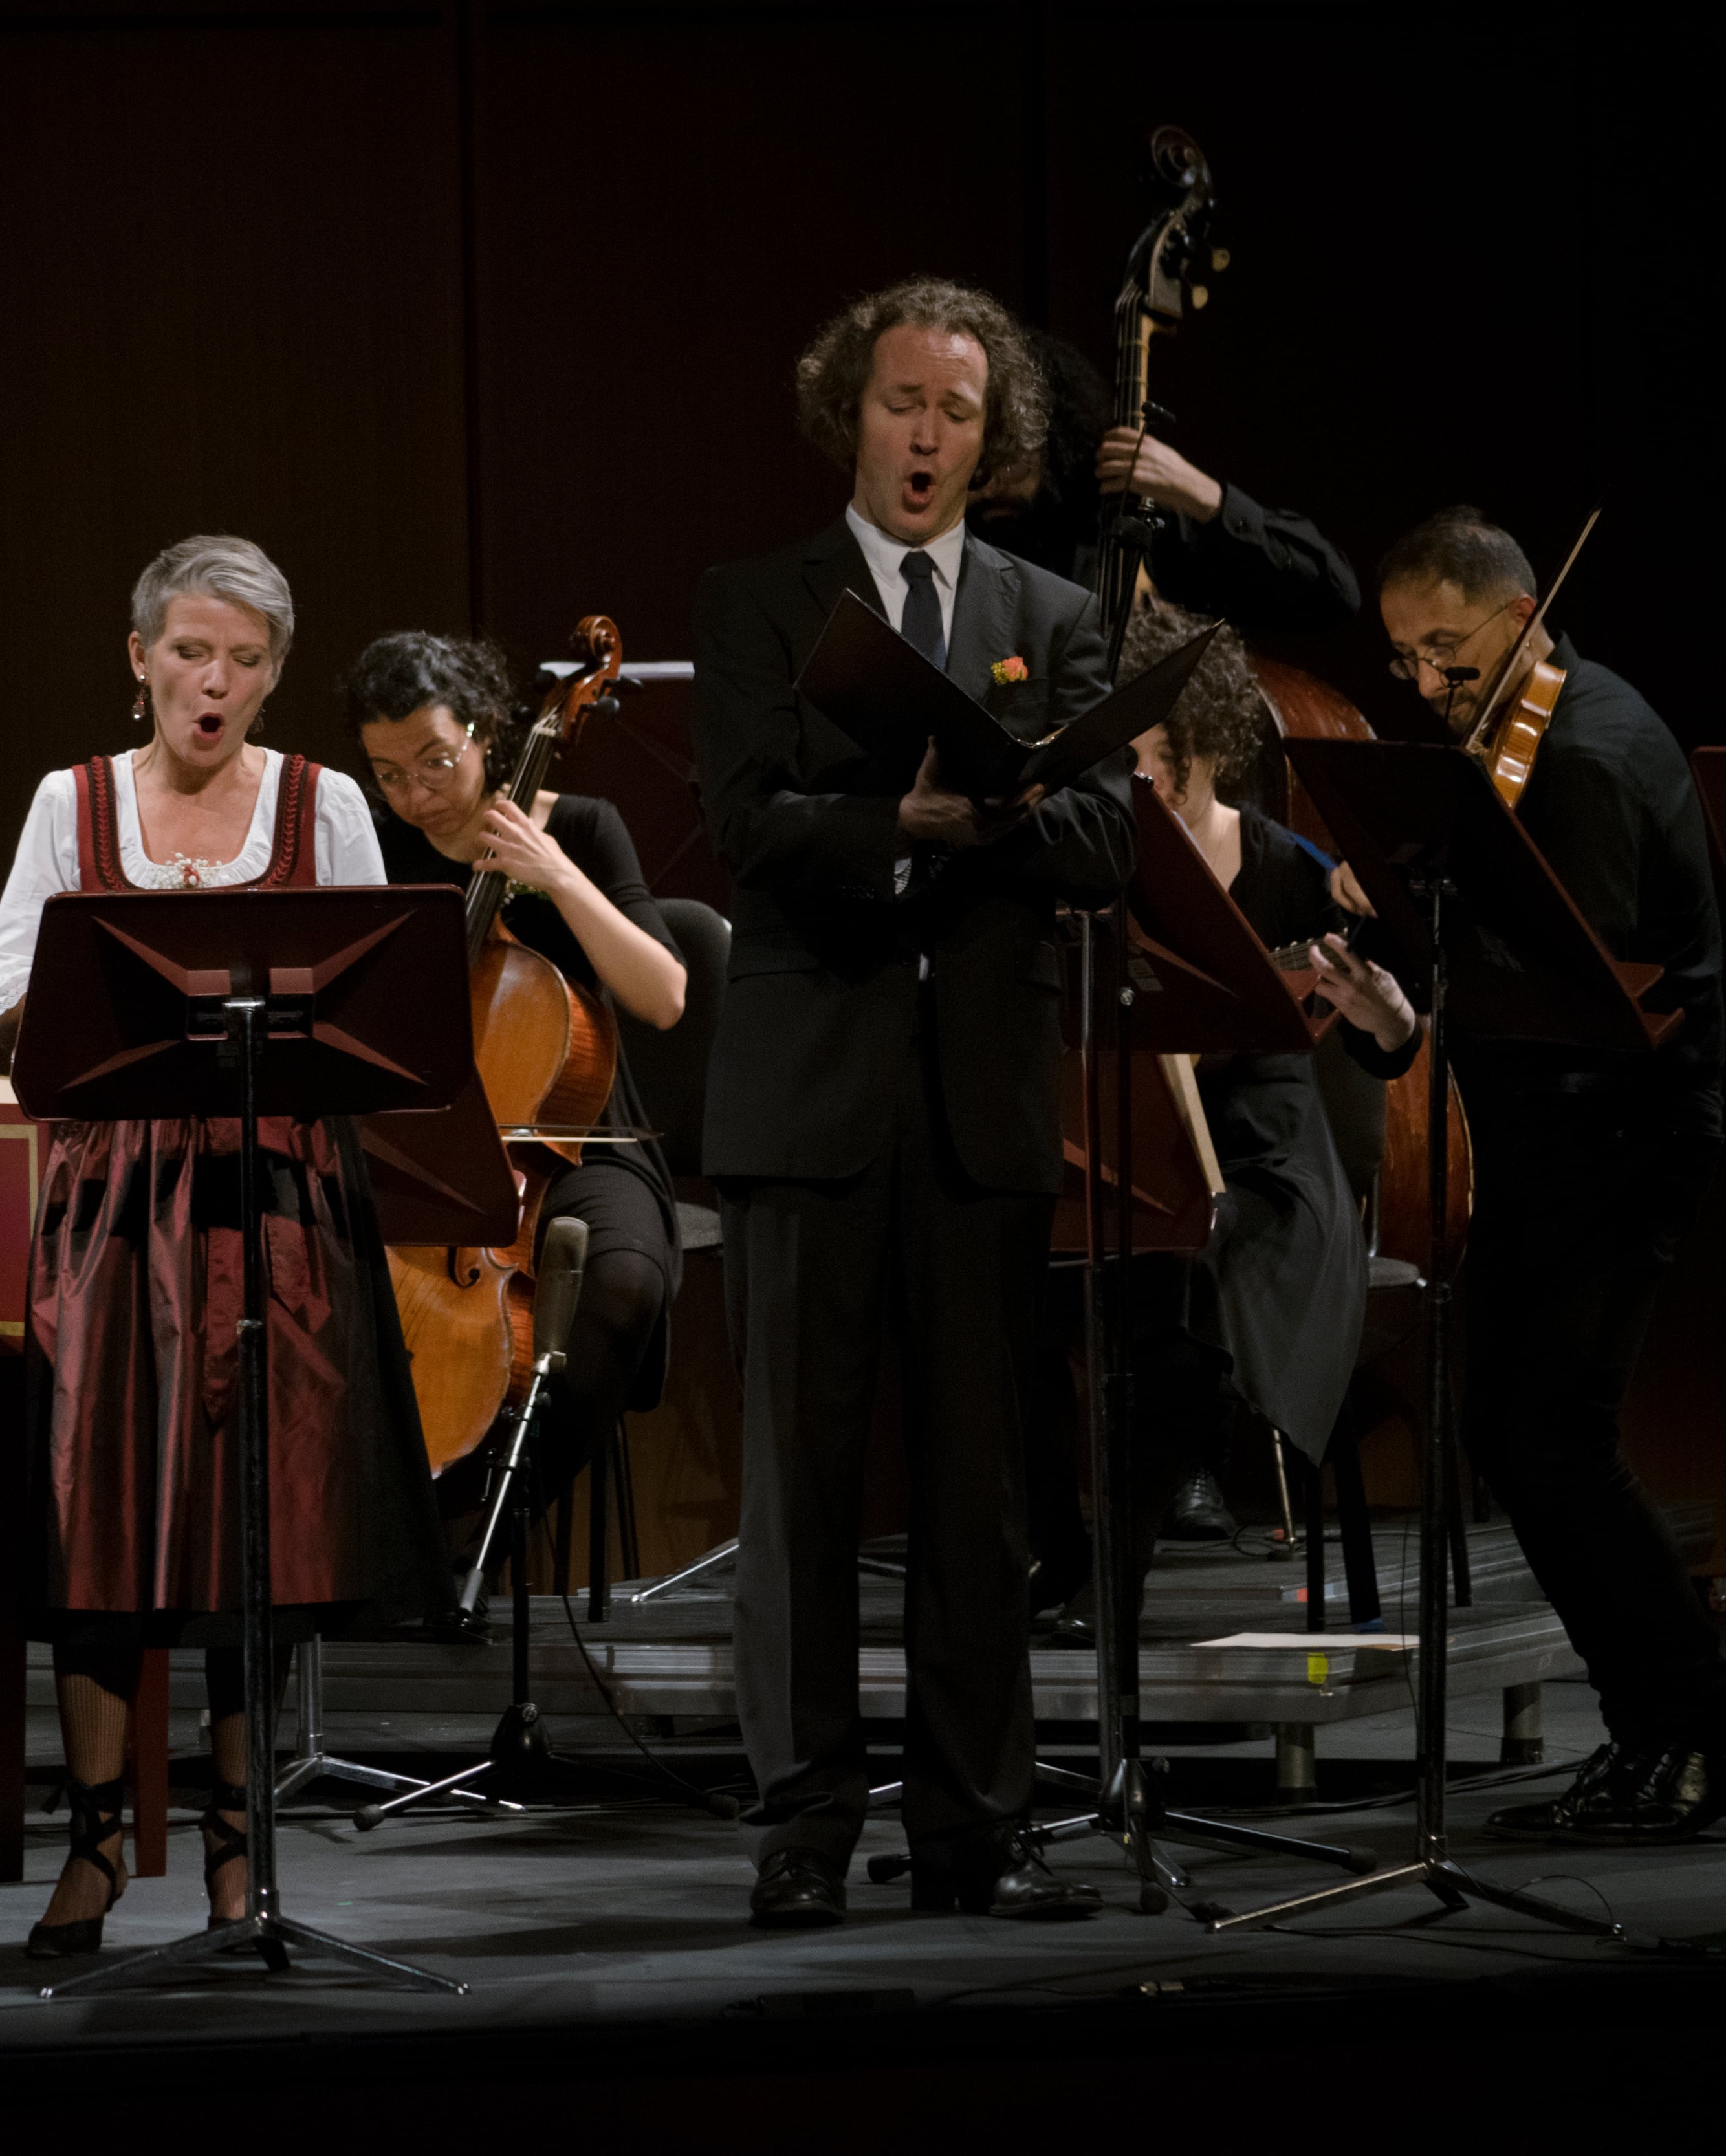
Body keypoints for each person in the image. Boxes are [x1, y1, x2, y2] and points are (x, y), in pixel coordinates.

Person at [692, 278, 1132, 1929]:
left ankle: (976, 1832)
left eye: (955, 408)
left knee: (979, 1493)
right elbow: (746, 821)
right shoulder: (758, 601)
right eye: (899, 402)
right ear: (848, 415)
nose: (925, 433)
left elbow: (1103, 843)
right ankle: (802, 1829)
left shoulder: (1050, 609)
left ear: (988, 435)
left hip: (982, 1109)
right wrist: (907, 822)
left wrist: (994, 816)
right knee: (799, 1492)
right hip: (807, 1103)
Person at [0, 534, 443, 1956]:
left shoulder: (323, 802)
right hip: (117, 1208)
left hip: (277, 1200)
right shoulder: (74, 800)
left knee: (259, 1521)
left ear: (272, 676)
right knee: (101, 1514)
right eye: (188, 651)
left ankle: (240, 1852)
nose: (211, 681)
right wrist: (58, 998)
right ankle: (97, 1846)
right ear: (139, 661)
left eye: (241, 659)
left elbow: (387, 1002)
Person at [1366, 509, 1725, 1844]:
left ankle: (1685, 1726)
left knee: (1551, 1431)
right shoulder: (1513, 731)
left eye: (1445, 653)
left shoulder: (1584, 754)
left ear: (1518, 621)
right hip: (1551, 1134)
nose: (1424, 686)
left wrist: (1425, 958)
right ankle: (1659, 1721)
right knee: (1510, 1433)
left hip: (1623, 1134)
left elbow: (1579, 994)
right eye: (1404, 659)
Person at [1080, 598, 1415, 1635]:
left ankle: (1125, 1557)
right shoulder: (1102, 866)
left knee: (1199, 1257)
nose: (1142, 787)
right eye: (1124, 764)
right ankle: (1078, 1549)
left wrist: (1389, 1017)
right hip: (1139, 1149)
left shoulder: (1292, 873)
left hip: (1273, 1162)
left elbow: (1384, 1039)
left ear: (1210, 746)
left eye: (1155, 760)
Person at [343, 629, 692, 1496]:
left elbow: (664, 996)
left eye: (435, 761)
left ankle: (486, 1529)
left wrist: (559, 876)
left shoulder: (579, 825)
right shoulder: (377, 851)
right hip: (434, 1156)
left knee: (621, 1287)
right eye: (389, 774)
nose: (415, 794)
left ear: (485, 729)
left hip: (587, 1146)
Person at [974, 334, 1361, 638]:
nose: (984, 484)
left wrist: (1204, 495)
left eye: (1005, 455)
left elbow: (1333, 593)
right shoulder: (969, 539)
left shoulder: (1135, 523)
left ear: (1051, 437)